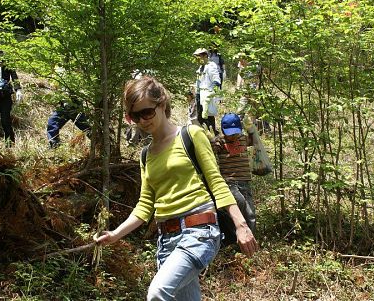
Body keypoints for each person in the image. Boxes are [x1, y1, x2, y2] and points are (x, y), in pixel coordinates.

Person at [94, 77, 258, 301]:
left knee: (157, 293)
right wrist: (115, 235)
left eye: (147, 112)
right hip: (167, 240)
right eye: (135, 116)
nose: (142, 120)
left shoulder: (190, 135)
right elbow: (144, 207)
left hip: (199, 231)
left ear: (162, 104)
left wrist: (241, 225)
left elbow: (216, 181)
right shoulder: (146, 154)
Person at [210, 113, 257, 233]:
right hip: (229, 182)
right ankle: (235, 233)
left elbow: (254, 141)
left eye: (235, 133)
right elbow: (211, 152)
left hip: (244, 181)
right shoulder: (220, 142)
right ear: (223, 131)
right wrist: (212, 142)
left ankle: (250, 236)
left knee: (250, 211)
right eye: (229, 134)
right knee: (239, 203)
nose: (232, 136)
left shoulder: (242, 138)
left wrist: (251, 130)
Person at [193, 48, 221, 135]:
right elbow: (199, 82)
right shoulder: (201, 67)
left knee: (207, 117)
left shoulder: (211, 66)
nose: (198, 58)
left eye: (199, 56)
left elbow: (216, 80)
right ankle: (207, 136)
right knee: (201, 118)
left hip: (207, 95)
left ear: (205, 55)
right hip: (200, 94)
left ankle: (213, 136)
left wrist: (210, 92)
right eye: (196, 56)